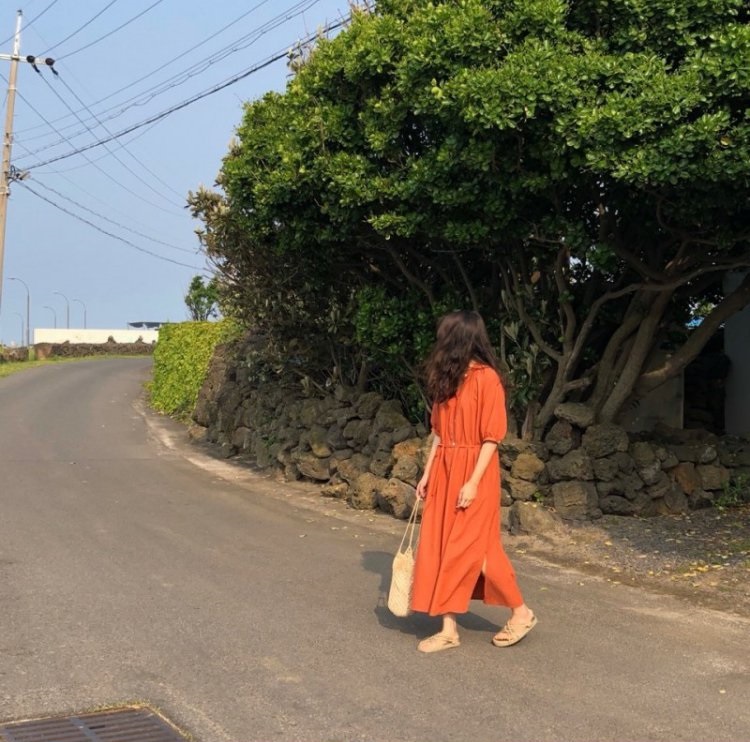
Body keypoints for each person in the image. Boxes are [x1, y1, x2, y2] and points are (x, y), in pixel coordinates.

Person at [410, 310, 536, 653]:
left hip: (474, 471)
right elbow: (439, 433)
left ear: (458, 338)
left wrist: (474, 482)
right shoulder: (446, 378)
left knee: (475, 550)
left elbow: (492, 438)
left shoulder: (487, 379)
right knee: (441, 544)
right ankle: (448, 629)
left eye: (445, 334)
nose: (439, 339)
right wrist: (427, 473)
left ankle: (521, 612)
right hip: (445, 469)